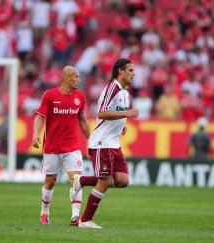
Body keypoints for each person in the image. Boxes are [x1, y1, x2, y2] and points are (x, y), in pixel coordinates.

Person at [70, 58, 139, 229]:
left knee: (122, 180)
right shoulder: (112, 88)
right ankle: (85, 220)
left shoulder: (125, 92)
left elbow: (117, 114)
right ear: (120, 71)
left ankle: (82, 180)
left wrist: (121, 126)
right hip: (102, 142)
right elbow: (101, 113)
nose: (133, 73)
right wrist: (128, 114)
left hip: (114, 142)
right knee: (105, 182)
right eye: (130, 70)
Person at [32, 66, 90, 226]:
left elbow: (83, 120)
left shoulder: (80, 97)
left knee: (76, 180)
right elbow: (39, 116)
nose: (79, 80)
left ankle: (75, 216)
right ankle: (44, 211)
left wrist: (91, 139)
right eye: (76, 77)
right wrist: (35, 134)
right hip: (52, 147)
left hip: (72, 147)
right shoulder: (50, 95)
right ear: (66, 77)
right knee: (51, 180)